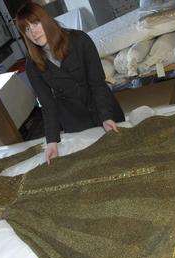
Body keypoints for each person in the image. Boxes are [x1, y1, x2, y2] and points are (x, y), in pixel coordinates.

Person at [16, 2, 125, 164]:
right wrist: (52, 141)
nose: (33, 32)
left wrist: (106, 116)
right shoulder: (32, 64)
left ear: (46, 20)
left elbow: (97, 83)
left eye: (36, 23)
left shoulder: (80, 40)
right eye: (27, 29)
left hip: (102, 107)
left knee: (123, 154)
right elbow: (47, 104)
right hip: (74, 120)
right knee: (94, 164)